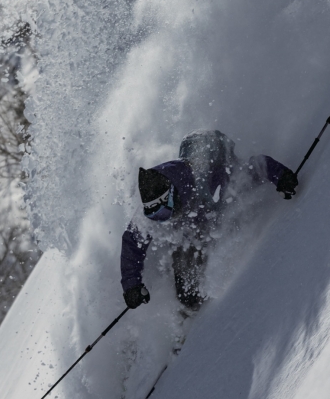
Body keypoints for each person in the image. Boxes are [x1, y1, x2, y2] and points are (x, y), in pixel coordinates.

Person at [120, 130, 298, 311]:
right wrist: (131, 285)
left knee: (227, 214)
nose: (162, 219)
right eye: (155, 216)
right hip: (195, 227)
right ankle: (189, 315)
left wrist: (281, 177)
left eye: (164, 212)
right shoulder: (156, 198)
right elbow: (132, 239)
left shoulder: (211, 179)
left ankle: (205, 317)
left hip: (215, 210)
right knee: (187, 293)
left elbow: (256, 167)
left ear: (172, 194)